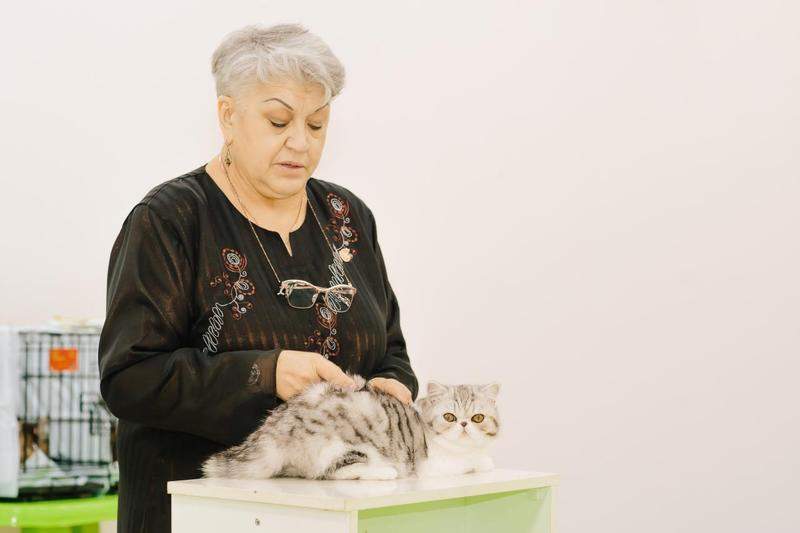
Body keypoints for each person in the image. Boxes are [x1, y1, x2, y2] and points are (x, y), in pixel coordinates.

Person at [98, 22, 418, 532]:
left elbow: (391, 352)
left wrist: (391, 388)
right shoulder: (170, 220)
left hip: (329, 516)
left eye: (317, 125)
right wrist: (265, 373)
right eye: (278, 121)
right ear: (228, 116)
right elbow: (129, 380)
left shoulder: (348, 217)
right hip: (196, 514)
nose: (300, 143)